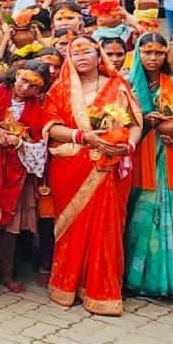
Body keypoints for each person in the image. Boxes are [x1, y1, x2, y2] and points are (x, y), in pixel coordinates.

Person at [42, 34, 141, 316]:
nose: (82, 57)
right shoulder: (59, 89)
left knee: (106, 228)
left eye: (88, 51)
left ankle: (101, 291)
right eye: (76, 53)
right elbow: (50, 127)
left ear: (100, 55)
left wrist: (128, 145)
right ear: (69, 59)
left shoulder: (117, 85)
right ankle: (66, 286)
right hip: (71, 167)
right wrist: (84, 136)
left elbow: (134, 123)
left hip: (109, 165)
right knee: (73, 227)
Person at [124, 31, 173, 297]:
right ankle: (132, 277)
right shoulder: (127, 84)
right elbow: (118, 122)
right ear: (138, 53)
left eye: (158, 53)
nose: (152, 58)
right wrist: (144, 120)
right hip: (137, 154)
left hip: (166, 155)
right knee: (136, 214)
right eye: (147, 52)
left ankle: (160, 280)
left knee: (161, 208)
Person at [0, 61, 50, 293]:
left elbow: (39, 144)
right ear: (16, 74)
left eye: (33, 85)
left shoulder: (37, 107)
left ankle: (6, 272)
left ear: (40, 90)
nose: (25, 87)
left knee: (11, 223)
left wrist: (19, 142)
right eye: (23, 80)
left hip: (17, 169)